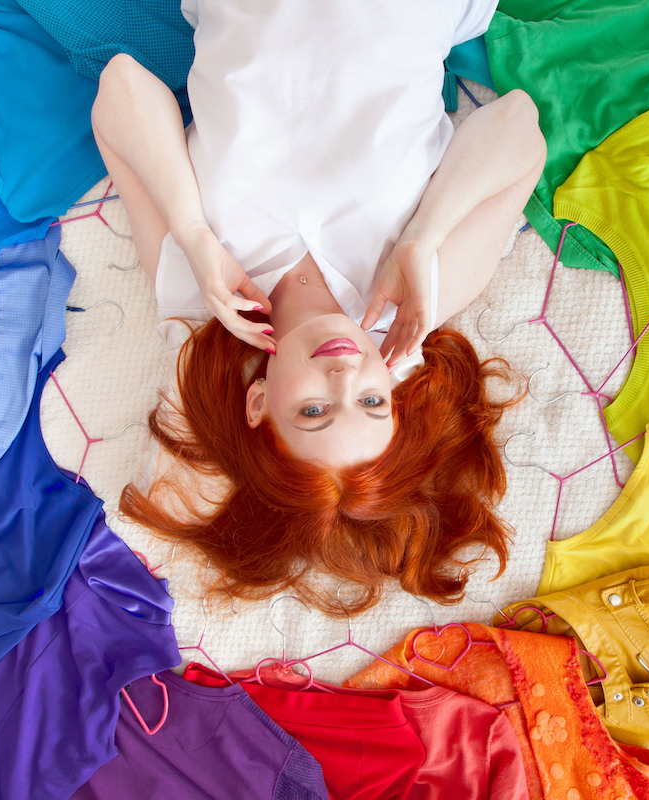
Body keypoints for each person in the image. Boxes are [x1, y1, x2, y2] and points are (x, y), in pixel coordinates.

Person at [92, 0, 546, 613]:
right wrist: (423, 235)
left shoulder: (197, 291)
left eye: (313, 409)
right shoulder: (422, 293)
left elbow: (120, 84)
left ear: (259, 405)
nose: (343, 374)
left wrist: (195, 234)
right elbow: (518, 122)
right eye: (369, 400)